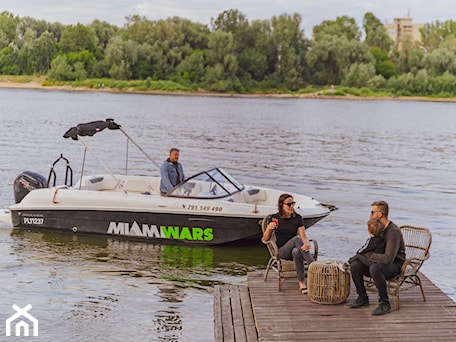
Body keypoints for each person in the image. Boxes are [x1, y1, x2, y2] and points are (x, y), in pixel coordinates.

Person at [348, 200, 406, 316]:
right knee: (355, 265)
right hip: (379, 262)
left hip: (395, 265)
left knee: (375, 268)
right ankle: (362, 297)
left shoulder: (393, 232)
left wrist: (367, 256)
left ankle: (385, 303)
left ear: (380, 214)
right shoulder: (378, 227)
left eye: (372, 212)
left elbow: (388, 258)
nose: (370, 215)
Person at [262, 193, 315, 294]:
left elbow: (304, 237)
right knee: (296, 239)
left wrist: (307, 244)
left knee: (296, 251)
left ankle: (301, 283)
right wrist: (269, 228)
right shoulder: (275, 218)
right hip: (281, 251)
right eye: (289, 204)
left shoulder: (297, 218)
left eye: (293, 203)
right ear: (281, 205)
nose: (291, 206)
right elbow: (265, 239)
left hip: (295, 249)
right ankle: (313, 265)